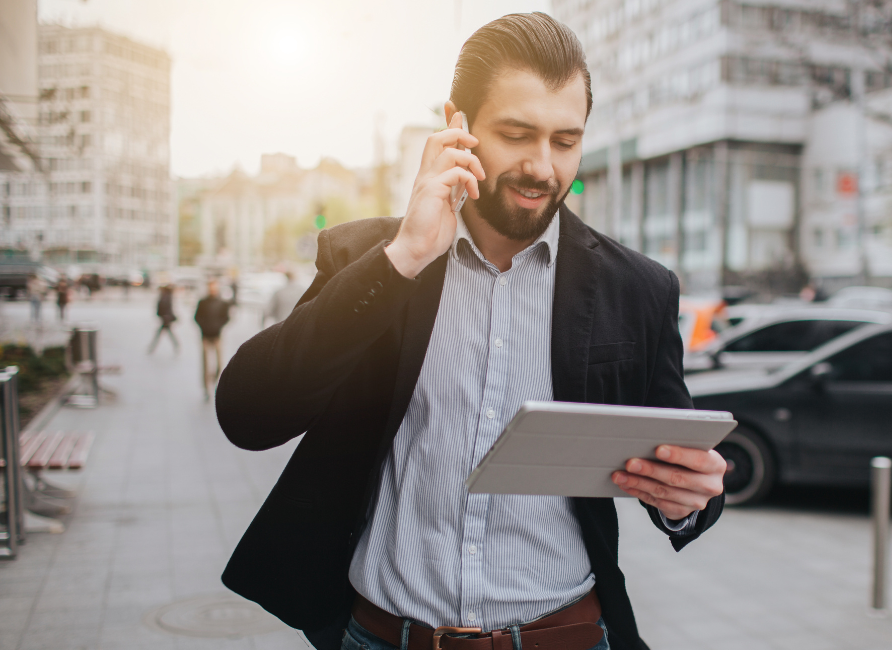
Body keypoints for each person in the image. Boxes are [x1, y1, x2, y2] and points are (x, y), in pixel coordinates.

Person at [216, 13, 726, 650]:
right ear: (457, 124)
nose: (543, 167)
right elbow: (248, 414)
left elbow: (679, 470)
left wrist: (687, 501)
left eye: (566, 141)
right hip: (382, 635)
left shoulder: (640, 290)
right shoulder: (371, 259)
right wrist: (402, 258)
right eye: (517, 134)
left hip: (563, 634)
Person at [194, 280, 230, 401]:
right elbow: (196, 317)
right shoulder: (203, 302)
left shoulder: (222, 303)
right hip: (205, 336)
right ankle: (206, 388)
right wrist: (204, 326)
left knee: (219, 364)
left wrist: (218, 326)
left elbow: (226, 318)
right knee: (206, 364)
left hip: (217, 336)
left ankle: (215, 381)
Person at [147, 284, 180, 355]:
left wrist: (166, 316)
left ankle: (151, 348)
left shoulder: (166, 296)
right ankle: (176, 345)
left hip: (165, 319)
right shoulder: (167, 296)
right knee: (166, 334)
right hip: (165, 318)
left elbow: (166, 308)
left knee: (160, 334)